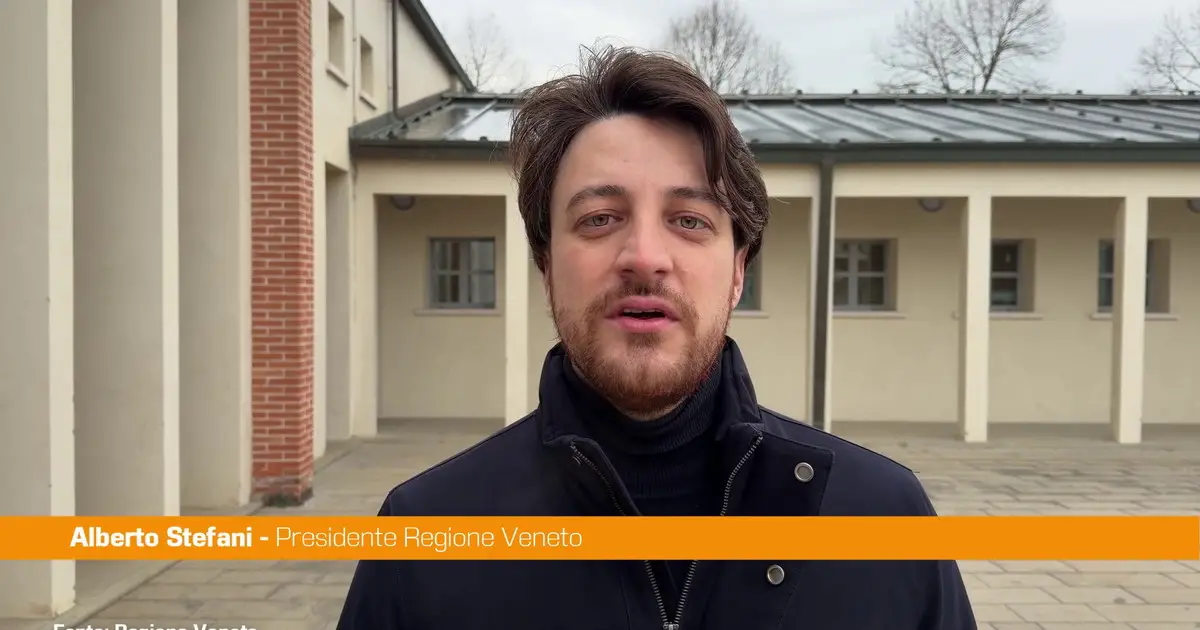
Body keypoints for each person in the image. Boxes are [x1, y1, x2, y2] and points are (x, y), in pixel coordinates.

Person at [337, 45, 976, 630]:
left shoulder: (888, 520)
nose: (644, 256)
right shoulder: (422, 539)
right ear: (546, 266)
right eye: (600, 218)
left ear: (738, 271)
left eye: (689, 220)